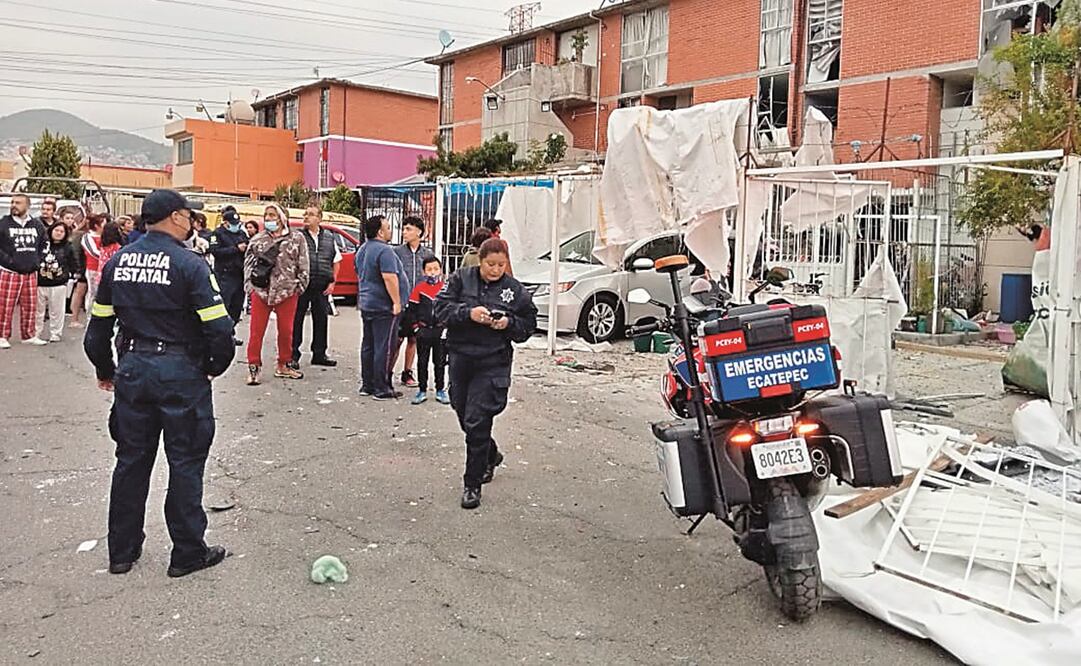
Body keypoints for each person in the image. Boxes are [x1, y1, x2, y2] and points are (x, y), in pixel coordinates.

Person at [83, 189, 235, 578]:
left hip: (134, 370)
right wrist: (213, 368)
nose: (192, 222)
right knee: (185, 462)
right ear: (175, 217)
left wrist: (107, 370)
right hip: (181, 372)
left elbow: (96, 333)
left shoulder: (118, 262)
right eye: (188, 215)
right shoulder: (190, 264)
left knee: (131, 461)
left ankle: (122, 552)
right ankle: (187, 553)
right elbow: (219, 328)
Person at [435, 238, 537, 509]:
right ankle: (489, 454)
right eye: (490, 264)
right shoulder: (460, 279)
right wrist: (469, 313)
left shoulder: (514, 291)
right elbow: (439, 309)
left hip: (493, 361)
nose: (495, 270)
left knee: (477, 420)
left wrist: (507, 323)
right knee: (462, 412)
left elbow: (528, 324)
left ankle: (472, 484)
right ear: (480, 261)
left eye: (501, 265)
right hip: (460, 357)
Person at [243, 203, 309, 385]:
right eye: (266, 215)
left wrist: (300, 285)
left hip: (287, 291)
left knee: (286, 331)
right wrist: (249, 286)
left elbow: (303, 262)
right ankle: (253, 367)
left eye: (272, 215)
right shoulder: (257, 239)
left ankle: (284, 364)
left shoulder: (296, 238)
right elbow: (248, 264)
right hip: (262, 291)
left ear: (282, 217)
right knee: (256, 331)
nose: (269, 218)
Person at [355, 214, 407, 400]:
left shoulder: (363, 249)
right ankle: (382, 387)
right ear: (380, 231)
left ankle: (367, 384)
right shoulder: (385, 251)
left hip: (367, 303)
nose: (390, 230)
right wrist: (396, 301)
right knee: (384, 347)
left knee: (368, 344)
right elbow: (389, 277)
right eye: (387, 227)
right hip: (383, 305)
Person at [289, 204, 340, 370]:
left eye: (311, 214)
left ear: (319, 218)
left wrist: (333, 282)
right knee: (296, 319)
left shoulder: (329, 238)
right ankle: (293, 354)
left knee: (321, 319)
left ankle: (319, 353)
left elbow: (336, 260)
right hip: (303, 284)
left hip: (321, 284)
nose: (306, 217)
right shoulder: (297, 236)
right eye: (306, 213)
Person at [0, 193, 49, 348]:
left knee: (30, 306)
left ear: (27, 206)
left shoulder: (37, 225)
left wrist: (38, 261)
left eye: (18, 202)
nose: (14, 205)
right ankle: (2, 336)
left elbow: (44, 244)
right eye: (13, 202)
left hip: (30, 272)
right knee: (5, 306)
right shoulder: (3, 223)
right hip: (9, 271)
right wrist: (8, 261)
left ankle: (28, 335)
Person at [393, 216, 436, 387]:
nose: (405, 232)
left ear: (419, 231)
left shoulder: (427, 255)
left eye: (409, 229)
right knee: (397, 339)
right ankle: (387, 370)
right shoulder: (397, 253)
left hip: (419, 303)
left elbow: (434, 277)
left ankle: (407, 372)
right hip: (401, 301)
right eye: (403, 229)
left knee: (414, 339)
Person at [402, 256, 449, 406]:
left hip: (440, 331)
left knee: (440, 363)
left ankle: (440, 390)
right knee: (422, 362)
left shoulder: (445, 288)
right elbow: (411, 311)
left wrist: (447, 328)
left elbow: (450, 309)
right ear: (424, 271)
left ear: (440, 270)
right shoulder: (419, 289)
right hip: (423, 330)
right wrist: (416, 328)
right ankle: (422, 390)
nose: (433, 272)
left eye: (436, 269)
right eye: (429, 269)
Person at [209, 205, 248, 345]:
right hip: (225, 276)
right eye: (232, 224)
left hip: (239, 275)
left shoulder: (241, 234)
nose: (235, 226)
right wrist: (235, 249)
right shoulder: (217, 234)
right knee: (224, 306)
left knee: (236, 308)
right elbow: (216, 251)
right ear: (225, 223)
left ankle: (230, 333)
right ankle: (220, 336)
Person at [34, 221, 78, 343]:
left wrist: (73, 276)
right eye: (56, 230)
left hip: (58, 283)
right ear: (51, 231)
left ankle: (56, 333)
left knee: (57, 311)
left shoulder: (68, 247)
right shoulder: (42, 245)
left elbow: (73, 262)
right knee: (38, 311)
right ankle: (36, 332)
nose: (58, 233)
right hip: (40, 283)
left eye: (61, 231)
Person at [69, 212, 90, 328]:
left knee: (81, 292)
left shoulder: (80, 234)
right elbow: (76, 252)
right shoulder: (79, 235)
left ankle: (76, 318)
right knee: (79, 292)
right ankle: (74, 318)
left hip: (86, 267)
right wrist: (77, 268)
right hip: (83, 267)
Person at [81, 214, 106, 305]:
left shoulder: (105, 236)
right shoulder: (87, 237)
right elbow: (93, 251)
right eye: (103, 224)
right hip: (93, 268)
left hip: (104, 268)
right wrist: (106, 258)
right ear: (96, 226)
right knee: (93, 293)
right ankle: (89, 316)